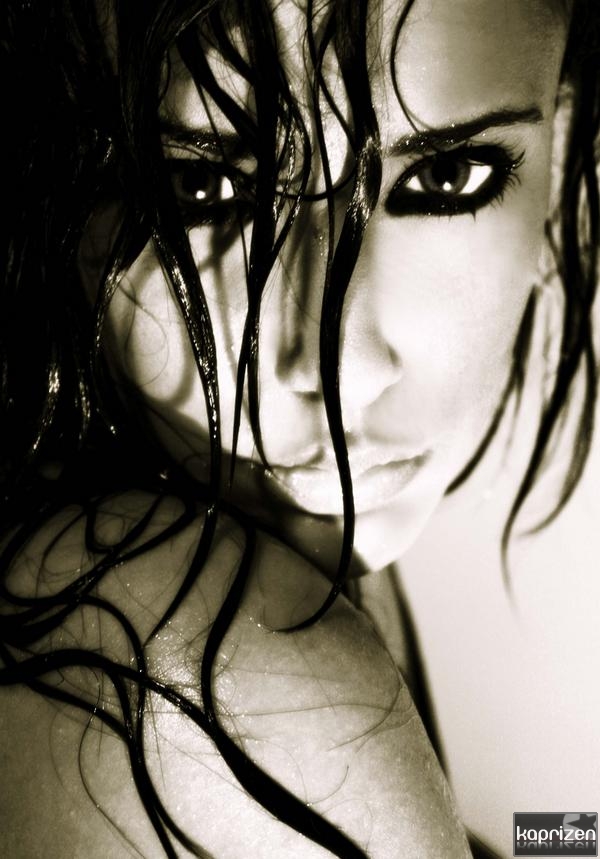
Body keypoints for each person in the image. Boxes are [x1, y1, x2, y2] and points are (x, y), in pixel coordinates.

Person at [1, 0, 598, 856]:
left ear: (565, 163)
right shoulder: (200, 663)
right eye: (203, 190)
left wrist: (566, 837)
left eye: (448, 177)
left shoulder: (256, 555)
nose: (341, 367)